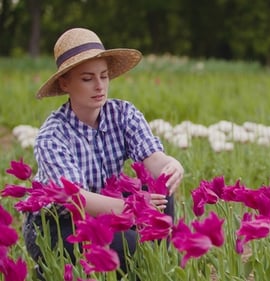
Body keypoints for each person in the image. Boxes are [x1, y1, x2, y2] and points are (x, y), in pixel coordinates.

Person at [22, 27, 184, 278]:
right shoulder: (52, 135)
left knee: (162, 189)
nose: (99, 86)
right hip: (60, 224)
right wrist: (132, 207)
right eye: (87, 79)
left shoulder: (123, 114)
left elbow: (153, 158)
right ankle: (51, 268)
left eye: (104, 76)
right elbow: (76, 199)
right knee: (131, 246)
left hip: (112, 207)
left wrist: (171, 166)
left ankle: (151, 265)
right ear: (65, 83)